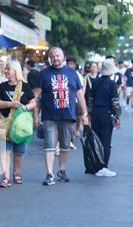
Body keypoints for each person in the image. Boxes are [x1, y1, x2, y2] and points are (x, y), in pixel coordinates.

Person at [34, 47, 89, 186]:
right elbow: (36, 96)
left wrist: (84, 113)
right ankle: (49, 174)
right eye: (52, 56)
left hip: (68, 116)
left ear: (63, 56)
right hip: (49, 117)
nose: (55, 58)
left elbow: (79, 94)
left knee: (65, 146)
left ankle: (62, 171)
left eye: (58, 56)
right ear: (49, 58)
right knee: (49, 146)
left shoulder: (72, 73)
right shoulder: (44, 74)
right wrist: (35, 115)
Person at [0, 61, 36, 187]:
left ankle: (16, 173)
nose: (6, 71)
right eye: (5, 69)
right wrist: (9, 104)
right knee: (4, 151)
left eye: (8, 69)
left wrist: (25, 107)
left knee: (19, 152)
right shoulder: (2, 87)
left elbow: (33, 102)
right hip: (4, 123)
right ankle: (5, 177)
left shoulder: (25, 87)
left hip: (20, 125)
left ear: (16, 71)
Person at [90, 59, 122, 177]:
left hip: (95, 113)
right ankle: (103, 167)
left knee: (96, 140)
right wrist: (118, 115)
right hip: (106, 113)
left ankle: (96, 165)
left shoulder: (96, 82)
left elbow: (91, 100)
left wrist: (89, 113)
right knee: (106, 141)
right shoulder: (112, 84)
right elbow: (115, 102)